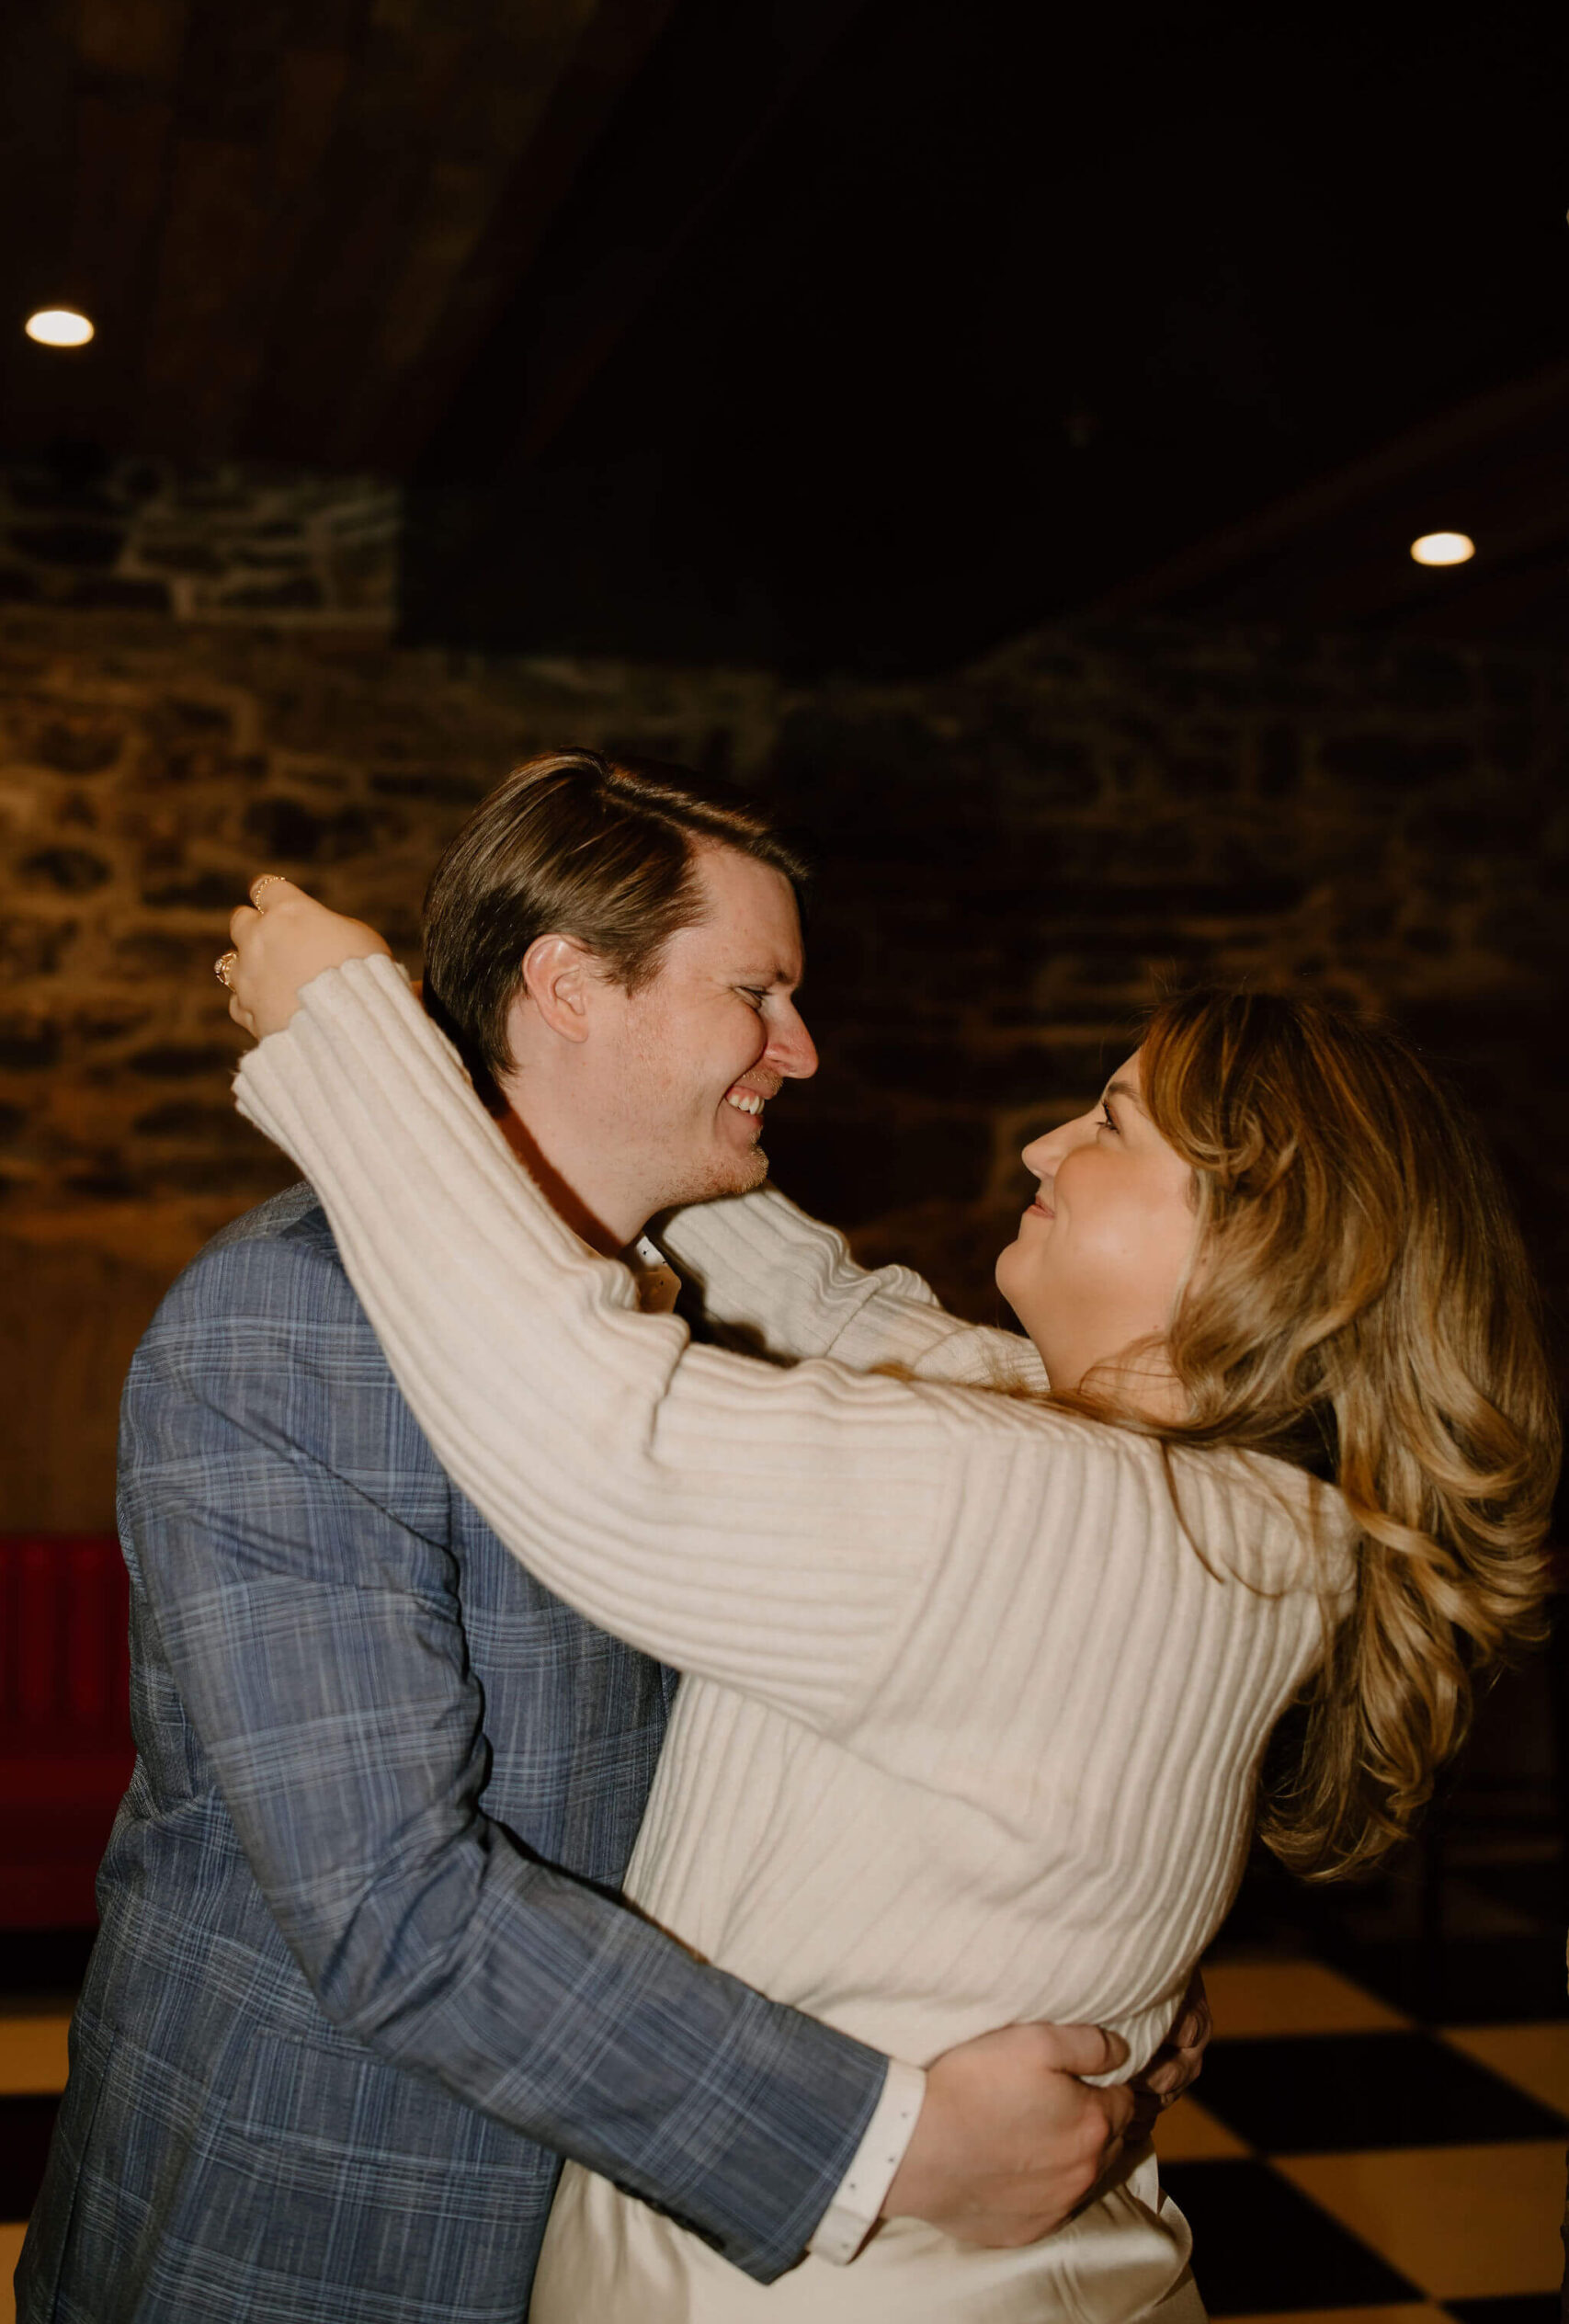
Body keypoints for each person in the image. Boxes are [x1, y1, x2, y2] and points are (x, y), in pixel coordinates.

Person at [220, 852, 1556, 2321]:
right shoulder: (1230, 1502)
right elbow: (850, 1318)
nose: (1047, 1148)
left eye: (1111, 1123)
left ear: (1257, 1236)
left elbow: (596, 1428)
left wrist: (345, 1030)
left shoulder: (1063, 1518)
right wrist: (548, 1088)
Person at [18, 756, 1201, 2324]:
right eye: (757, 993)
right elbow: (393, 1907)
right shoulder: (290, 1320)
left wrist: (1094, 1975)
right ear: (571, 985)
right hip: (324, 2221)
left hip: (619, 2227)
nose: (801, 1048)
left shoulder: (704, 1312)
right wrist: (885, 2145)